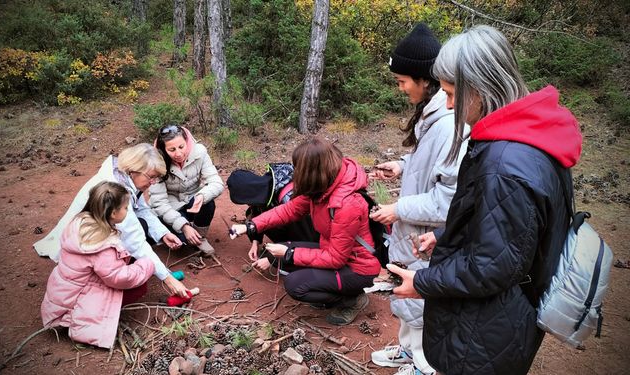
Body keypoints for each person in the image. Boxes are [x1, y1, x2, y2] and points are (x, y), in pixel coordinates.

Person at [388, 25, 582, 375]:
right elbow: (509, 232)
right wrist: (446, 235)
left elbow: (492, 266)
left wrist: (421, 283)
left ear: (478, 88)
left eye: (451, 93)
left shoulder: (505, 165)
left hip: (488, 328)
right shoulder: (533, 139)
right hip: (508, 313)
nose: (448, 104)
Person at [367, 23, 468, 375]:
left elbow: (448, 199)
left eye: (402, 81)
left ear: (424, 79)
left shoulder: (448, 124)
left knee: (422, 306)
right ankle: (409, 351)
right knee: (407, 300)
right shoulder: (432, 115)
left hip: (428, 239)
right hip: (414, 233)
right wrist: (402, 164)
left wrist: (397, 209)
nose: (400, 88)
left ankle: (426, 366)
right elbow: (431, 167)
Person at [231, 138, 380, 326]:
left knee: (295, 285)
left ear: (312, 171)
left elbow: (336, 258)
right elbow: (289, 210)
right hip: (334, 252)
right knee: (280, 253)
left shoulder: (346, 203)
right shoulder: (324, 187)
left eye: (298, 168)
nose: (296, 172)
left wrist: (290, 254)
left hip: (357, 268)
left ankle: (352, 300)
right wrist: (250, 226)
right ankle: (330, 290)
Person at [33, 143, 189, 297]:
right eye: (151, 177)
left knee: (142, 225)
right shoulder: (114, 191)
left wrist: (162, 234)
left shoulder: (127, 178)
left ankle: (127, 266)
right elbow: (135, 240)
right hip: (85, 242)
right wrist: (167, 278)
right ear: (134, 170)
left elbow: (141, 208)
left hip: (93, 234)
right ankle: (116, 273)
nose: (153, 182)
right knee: (138, 280)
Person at [41, 181, 156, 348]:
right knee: (140, 284)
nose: (127, 210)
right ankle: (89, 319)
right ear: (114, 213)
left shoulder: (80, 221)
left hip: (64, 293)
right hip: (77, 299)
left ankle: (71, 315)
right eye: (125, 208)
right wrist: (146, 265)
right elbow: (118, 278)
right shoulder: (102, 245)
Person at [227, 163, 320, 272]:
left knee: (294, 284)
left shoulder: (290, 197)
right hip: (301, 232)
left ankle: (294, 264)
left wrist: (274, 259)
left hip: (315, 241)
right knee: (261, 213)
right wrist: (255, 241)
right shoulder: (266, 187)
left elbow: (309, 239)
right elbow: (256, 212)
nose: (248, 204)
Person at [150, 125, 224, 256]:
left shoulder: (200, 152)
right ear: (163, 150)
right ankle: (184, 232)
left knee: (208, 203)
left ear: (187, 142)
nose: (178, 153)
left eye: (181, 147)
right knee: (182, 241)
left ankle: (200, 237)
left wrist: (202, 195)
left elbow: (216, 182)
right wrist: (183, 226)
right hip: (170, 205)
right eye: (171, 149)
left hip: (192, 198)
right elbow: (159, 203)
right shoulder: (156, 162)